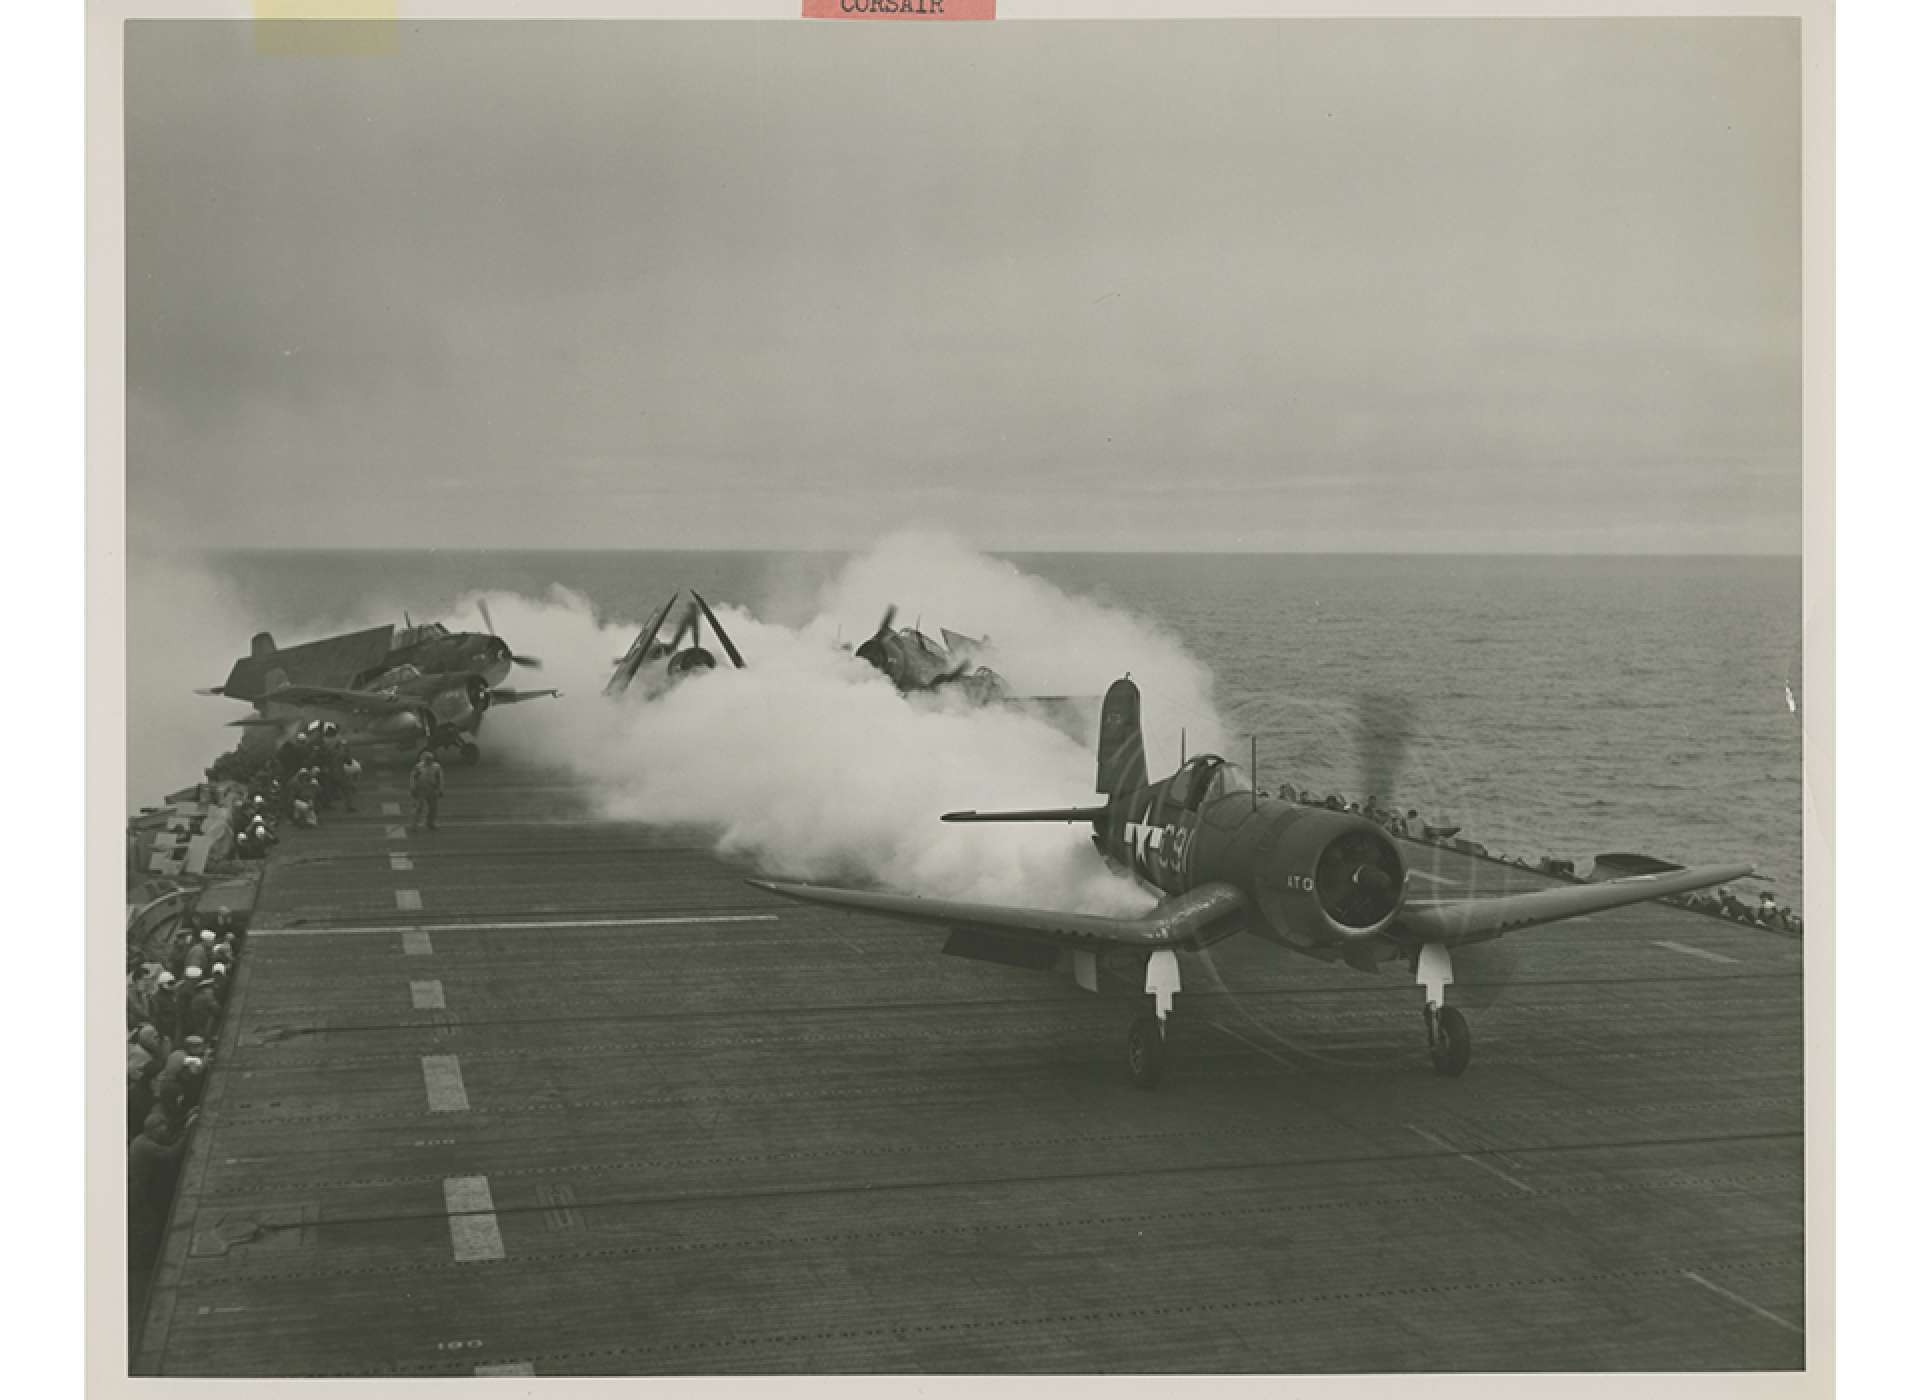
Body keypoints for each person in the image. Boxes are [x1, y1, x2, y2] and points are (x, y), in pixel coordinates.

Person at [410, 748, 445, 831]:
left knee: (433, 808)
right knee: (419, 807)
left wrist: (440, 789)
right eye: (427, 759)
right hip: (421, 789)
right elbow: (413, 778)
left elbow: (440, 778)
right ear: (424, 759)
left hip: (432, 789)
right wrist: (413, 788)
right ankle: (414, 824)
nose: (429, 761)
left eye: (430, 759)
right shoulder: (419, 767)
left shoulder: (436, 767)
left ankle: (430, 823)